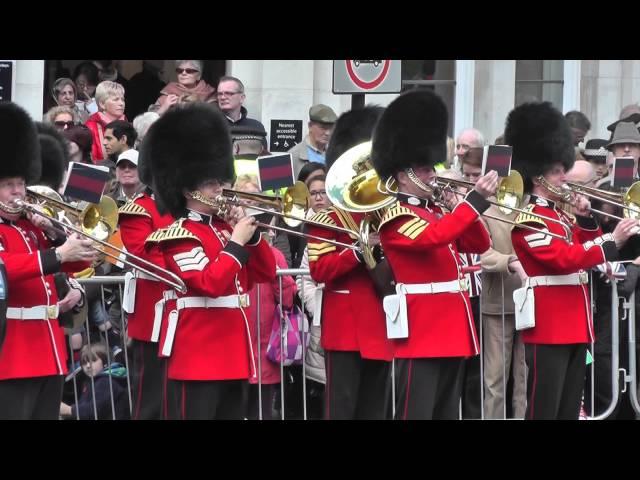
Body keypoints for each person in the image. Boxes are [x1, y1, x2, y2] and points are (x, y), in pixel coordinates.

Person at [143, 102, 276, 420]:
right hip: (199, 356)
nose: (221, 188)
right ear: (189, 189)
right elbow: (208, 283)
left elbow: (266, 272)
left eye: (221, 181)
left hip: (233, 353)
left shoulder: (224, 229)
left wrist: (252, 237)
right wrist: (237, 242)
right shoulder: (179, 234)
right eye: (211, 183)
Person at [505, 101, 637, 420]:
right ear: (539, 176)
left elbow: (587, 249)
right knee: (544, 410)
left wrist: (588, 221)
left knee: (567, 409)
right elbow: (564, 259)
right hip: (550, 326)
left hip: (576, 324)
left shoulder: (562, 216)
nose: (564, 176)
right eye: (557, 171)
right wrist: (613, 238)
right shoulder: (530, 218)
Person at [370, 90, 496, 420]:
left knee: (445, 412)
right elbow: (433, 239)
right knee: (417, 411)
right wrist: (470, 204)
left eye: (431, 168)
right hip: (423, 327)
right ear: (402, 175)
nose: (432, 175)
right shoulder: (396, 216)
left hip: (451, 325)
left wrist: (462, 207)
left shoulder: (437, 210)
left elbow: (478, 244)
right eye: (424, 170)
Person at [0, 102, 96, 420]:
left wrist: (56, 234)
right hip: (11, 351)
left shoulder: (30, 226)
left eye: (20, 183)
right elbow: (8, 269)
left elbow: (71, 264)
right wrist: (57, 254)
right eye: (8, 185)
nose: (18, 192)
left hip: (48, 347)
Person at [305, 105, 393, 420]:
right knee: (341, 409)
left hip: (382, 324)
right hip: (346, 328)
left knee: (374, 411)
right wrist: (357, 252)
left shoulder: (386, 212)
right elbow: (319, 270)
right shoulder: (329, 217)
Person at [117, 145, 175, 420]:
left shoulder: (184, 208)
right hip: (153, 314)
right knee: (150, 396)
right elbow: (143, 255)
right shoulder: (138, 209)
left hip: (184, 313)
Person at [234, 174, 295, 420]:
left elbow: (289, 300)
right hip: (238, 347)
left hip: (264, 349)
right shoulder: (228, 247)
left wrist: (272, 262)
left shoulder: (273, 253)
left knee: (263, 413)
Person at [59, 343, 130, 420]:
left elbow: (94, 411)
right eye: (84, 363)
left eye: (93, 361)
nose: (88, 366)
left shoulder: (105, 381)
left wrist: (69, 410)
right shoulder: (96, 380)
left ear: (105, 361)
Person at [152, 60, 216, 116]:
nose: (183, 73)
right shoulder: (168, 94)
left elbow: (215, 120)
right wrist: (164, 107)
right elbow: (149, 121)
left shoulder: (209, 94)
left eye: (189, 71)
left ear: (198, 76)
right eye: (180, 70)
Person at [289, 104, 338, 177]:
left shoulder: (336, 155)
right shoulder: (291, 157)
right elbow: (275, 187)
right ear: (310, 126)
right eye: (323, 128)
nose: (328, 133)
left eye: (331, 128)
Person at [85, 81, 127, 163]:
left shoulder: (128, 125)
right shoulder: (90, 127)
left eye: (123, 99)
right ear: (102, 104)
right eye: (116, 100)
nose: (121, 103)